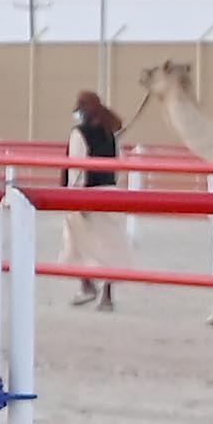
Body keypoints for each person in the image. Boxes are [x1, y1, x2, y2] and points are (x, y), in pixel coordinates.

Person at [65, 85, 127, 309]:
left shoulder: (79, 134)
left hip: (87, 193)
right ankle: (107, 296)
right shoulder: (110, 134)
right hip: (110, 193)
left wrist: (75, 197)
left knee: (76, 241)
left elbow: (76, 166)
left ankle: (87, 286)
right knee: (109, 246)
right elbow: (117, 165)